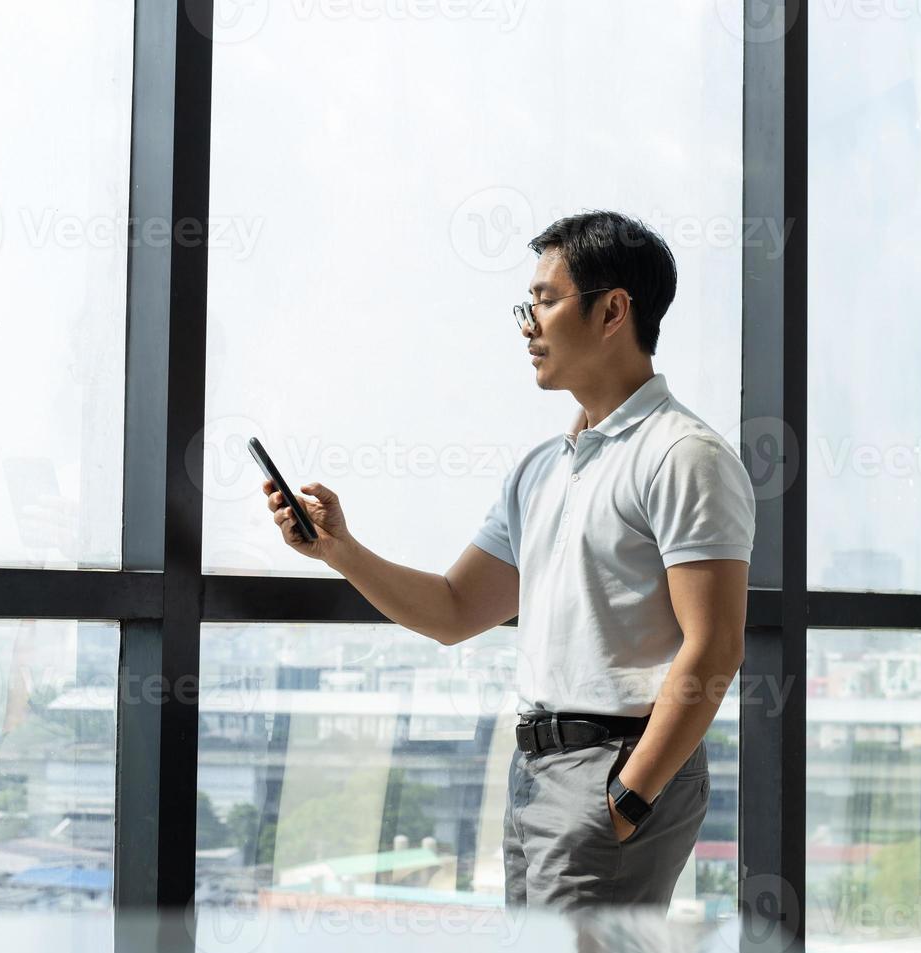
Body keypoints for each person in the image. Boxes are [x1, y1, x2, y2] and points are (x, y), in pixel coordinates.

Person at [261, 210, 755, 912]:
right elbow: (454, 611)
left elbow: (714, 646)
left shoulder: (683, 456)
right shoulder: (541, 469)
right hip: (535, 771)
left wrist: (628, 795)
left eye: (545, 300)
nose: (527, 323)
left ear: (613, 310)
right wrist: (341, 550)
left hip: (615, 766)